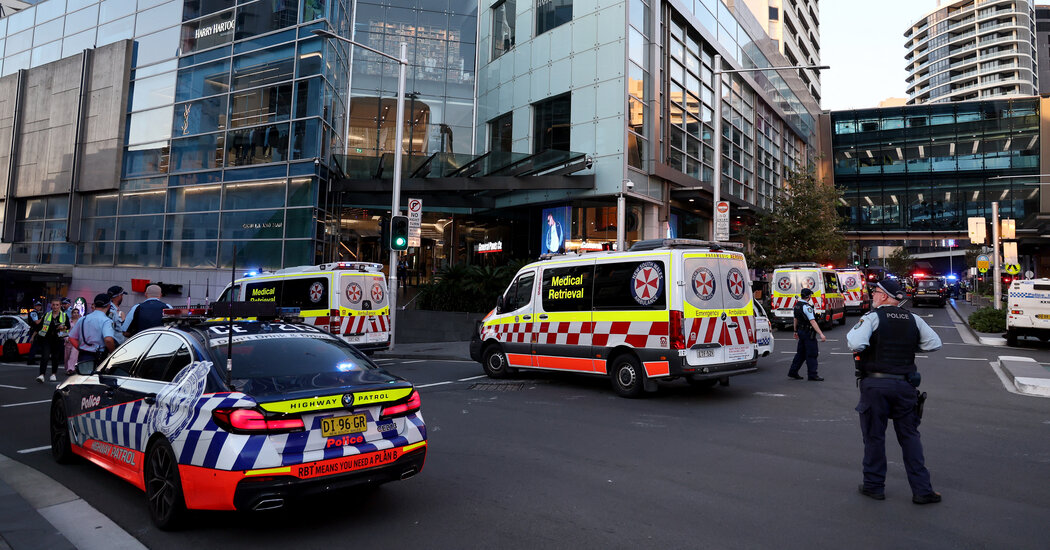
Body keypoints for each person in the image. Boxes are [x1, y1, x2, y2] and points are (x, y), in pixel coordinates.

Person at [846, 278, 943, 504]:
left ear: (885, 296)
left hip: (876, 385)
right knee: (910, 437)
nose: (873, 295)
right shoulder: (914, 319)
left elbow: (856, 343)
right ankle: (922, 490)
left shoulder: (872, 317)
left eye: (875, 292)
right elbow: (934, 344)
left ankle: (874, 486)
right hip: (905, 385)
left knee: (874, 437)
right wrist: (909, 345)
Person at [787, 287, 826, 381]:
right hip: (808, 333)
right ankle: (812, 375)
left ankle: (793, 372)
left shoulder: (797, 305)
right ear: (809, 296)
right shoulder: (807, 307)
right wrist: (821, 334)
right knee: (812, 353)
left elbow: (795, 319)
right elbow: (812, 322)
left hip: (801, 331)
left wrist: (795, 331)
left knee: (800, 353)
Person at [68, 294, 118, 363]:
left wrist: (81, 349)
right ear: (109, 306)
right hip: (98, 357)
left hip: (83, 356)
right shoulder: (106, 321)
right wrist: (113, 354)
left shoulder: (82, 319)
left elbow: (71, 337)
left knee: (83, 373)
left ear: (94, 304)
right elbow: (108, 340)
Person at [34, 299, 70, 383]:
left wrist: (62, 327)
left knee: (55, 357)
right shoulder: (47, 314)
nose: (55, 306)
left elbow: (68, 326)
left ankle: (53, 374)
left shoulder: (64, 315)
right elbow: (40, 326)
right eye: (53, 305)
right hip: (46, 339)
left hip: (58, 339)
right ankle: (41, 375)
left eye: (57, 305)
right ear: (51, 306)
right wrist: (33, 336)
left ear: (60, 305)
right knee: (45, 356)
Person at [25, 300, 44, 365]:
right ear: (34, 306)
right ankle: (30, 360)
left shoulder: (37, 313)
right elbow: (37, 322)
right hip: (34, 331)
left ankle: (32, 359)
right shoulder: (34, 313)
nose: (39, 307)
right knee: (34, 346)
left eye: (39, 306)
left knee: (36, 346)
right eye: (37, 306)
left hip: (37, 331)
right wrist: (43, 318)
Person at [64, 308, 82, 375]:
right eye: (74, 312)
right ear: (72, 314)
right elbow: (65, 331)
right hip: (68, 341)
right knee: (67, 356)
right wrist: (66, 338)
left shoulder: (80, 322)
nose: (76, 314)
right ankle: (68, 368)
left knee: (73, 355)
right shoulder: (68, 321)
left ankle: (71, 369)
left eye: (77, 312)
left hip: (76, 341)